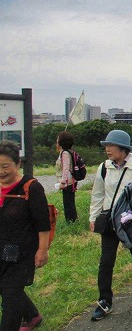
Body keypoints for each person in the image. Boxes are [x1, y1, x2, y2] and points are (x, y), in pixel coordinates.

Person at [89, 130, 132, 321]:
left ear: (123, 148)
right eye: (106, 145)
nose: (107, 149)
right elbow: (98, 193)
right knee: (106, 261)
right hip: (109, 221)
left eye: (111, 145)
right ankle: (104, 300)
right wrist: (93, 217)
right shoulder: (104, 167)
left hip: (130, 220)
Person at [0, 141, 50, 331]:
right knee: (5, 288)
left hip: (21, 252)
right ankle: (32, 315)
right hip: (0, 248)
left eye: (5, 166)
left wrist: (42, 250)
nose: (1, 171)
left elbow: (42, 222)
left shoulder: (31, 187)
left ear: (18, 164)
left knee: (10, 300)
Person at [55, 130, 78, 223]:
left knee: (68, 202)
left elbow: (66, 168)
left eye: (58, 139)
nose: (56, 141)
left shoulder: (65, 153)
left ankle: (71, 221)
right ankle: (71, 220)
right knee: (69, 202)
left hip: (68, 182)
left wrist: (63, 182)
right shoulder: (67, 152)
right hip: (70, 181)